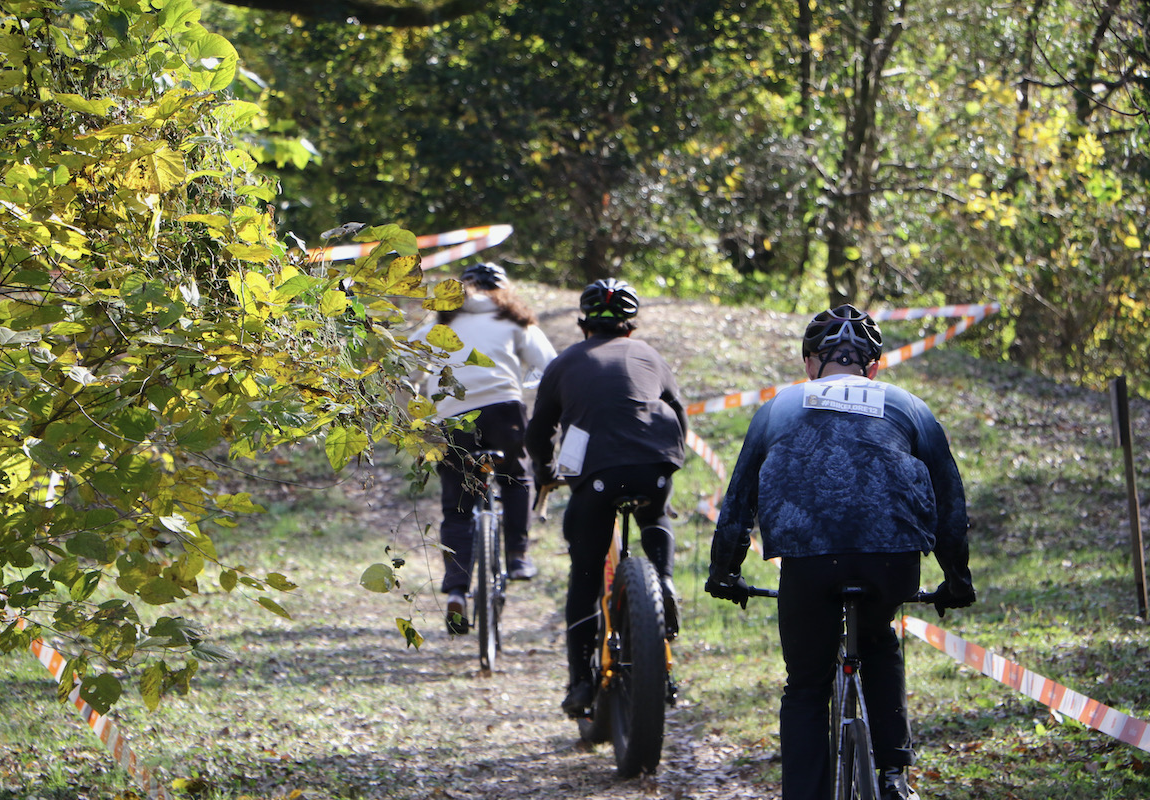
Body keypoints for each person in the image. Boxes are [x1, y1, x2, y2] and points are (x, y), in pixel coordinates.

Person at [705, 304, 975, 800]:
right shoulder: (908, 404)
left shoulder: (780, 406)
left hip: (807, 561)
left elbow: (739, 498)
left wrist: (724, 571)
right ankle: (894, 777)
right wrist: (957, 579)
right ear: (873, 367)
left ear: (810, 364)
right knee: (877, 641)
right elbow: (949, 501)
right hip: (890, 558)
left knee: (806, 685)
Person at [525, 278, 688, 718]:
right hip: (656, 461)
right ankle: (664, 580)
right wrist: (670, 461)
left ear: (583, 326)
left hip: (597, 471)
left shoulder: (563, 363)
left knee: (584, 574)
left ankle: (580, 683)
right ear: (630, 328)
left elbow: (539, 432)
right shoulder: (650, 355)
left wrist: (544, 472)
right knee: (655, 516)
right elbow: (677, 410)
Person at [412, 262, 557, 634]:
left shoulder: (440, 322)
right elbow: (552, 367)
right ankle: (519, 556)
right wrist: (531, 387)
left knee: (458, 509)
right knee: (515, 478)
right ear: (505, 290)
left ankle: (457, 592)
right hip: (503, 413)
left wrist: (416, 405)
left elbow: (405, 360)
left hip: (452, 418)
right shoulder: (515, 319)